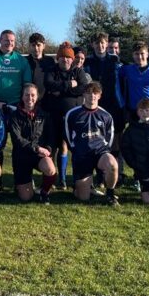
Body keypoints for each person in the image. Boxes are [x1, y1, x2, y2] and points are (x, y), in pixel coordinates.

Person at [63, 82, 120, 205]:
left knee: (112, 164)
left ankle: (110, 194)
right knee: (83, 198)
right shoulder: (73, 114)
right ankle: (80, 187)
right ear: (84, 94)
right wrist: (76, 150)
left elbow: (109, 137)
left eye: (95, 93)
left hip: (100, 153)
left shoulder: (106, 115)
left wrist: (104, 149)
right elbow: (68, 136)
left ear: (99, 96)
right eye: (88, 93)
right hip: (82, 156)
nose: (92, 96)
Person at [42, 42, 90, 189]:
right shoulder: (51, 70)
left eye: (68, 57)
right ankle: (51, 177)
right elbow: (49, 85)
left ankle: (64, 179)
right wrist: (69, 85)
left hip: (73, 117)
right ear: (58, 58)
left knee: (66, 146)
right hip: (52, 115)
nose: (65, 60)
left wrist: (61, 90)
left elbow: (83, 88)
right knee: (52, 147)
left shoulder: (78, 71)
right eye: (62, 57)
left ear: (72, 59)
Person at [6, 83, 57, 203]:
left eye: (33, 95)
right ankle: (21, 185)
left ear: (37, 96)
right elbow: (18, 140)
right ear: (22, 97)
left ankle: (44, 193)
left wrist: (48, 149)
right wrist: (37, 148)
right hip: (21, 156)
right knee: (26, 197)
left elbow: (51, 136)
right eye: (27, 95)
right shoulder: (14, 116)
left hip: (38, 155)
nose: (30, 98)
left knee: (50, 169)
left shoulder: (44, 115)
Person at [85, 32, 125, 181]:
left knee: (115, 140)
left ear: (106, 44)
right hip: (96, 105)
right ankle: (99, 175)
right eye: (97, 43)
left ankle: (117, 173)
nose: (100, 46)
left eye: (102, 43)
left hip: (114, 105)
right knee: (97, 138)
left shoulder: (116, 61)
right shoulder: (88, 62)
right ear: (93, 45)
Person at [117, 41, 149, 125]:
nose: (139, 57)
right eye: (136, 54)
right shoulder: (126, 70)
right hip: (134, 113)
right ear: (133, 55)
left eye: (142, 53)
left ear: (147, 54)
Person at [0, 30, 33, 108]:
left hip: (17, 105)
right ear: (0, 41)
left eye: (12, 41)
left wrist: (23, 101)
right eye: (6, 40)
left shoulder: (22, 60)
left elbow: (27, 83)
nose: (9, 43)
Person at [24, 32, 54, 98]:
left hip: (46, 100)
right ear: (29, 46)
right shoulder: (24, 61)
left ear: (44, 46)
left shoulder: (50, 61)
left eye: (38, 45)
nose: (36, 48)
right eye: (33, 45)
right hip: (29, 101)